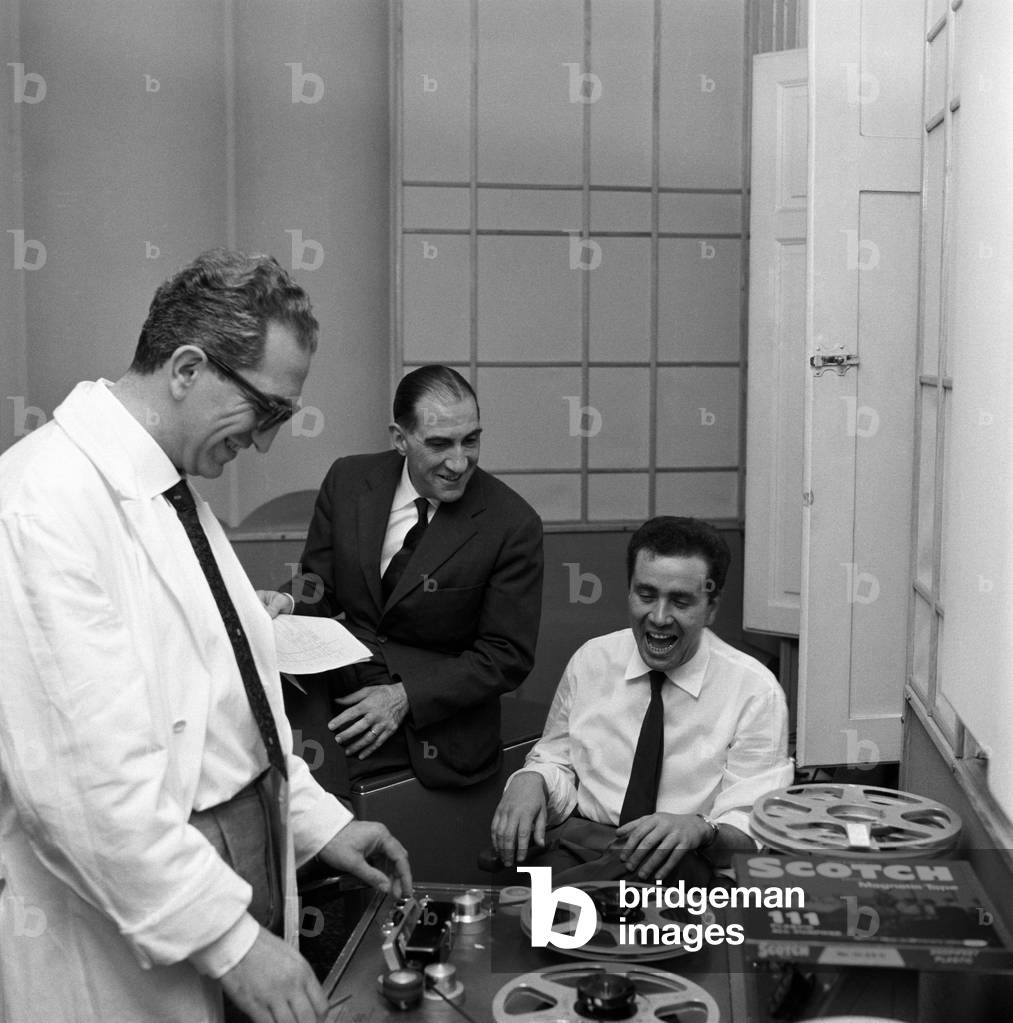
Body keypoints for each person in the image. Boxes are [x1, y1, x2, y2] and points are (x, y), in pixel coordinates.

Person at [0, 250, 412, 1023]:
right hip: (114, 942)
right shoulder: (41, 506)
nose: (264, 443)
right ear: (188, 367)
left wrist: (323, 824)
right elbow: (85, 793)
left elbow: (231, 712)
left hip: (218, 886)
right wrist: (230, 940)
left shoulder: (170, 489)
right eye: (268, 412)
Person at [491, 515, 793, 883]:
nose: (659, 617)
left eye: (680, 601)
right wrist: (531, 779)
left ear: (711, 607)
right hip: (585, 847)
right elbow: (556, 760)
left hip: (687, 867)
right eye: (646, 595)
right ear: (629, 591)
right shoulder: (592, 660)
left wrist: (701, 830)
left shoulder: (755, 692)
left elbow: (751, 834)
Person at [285, 364, 543, 793]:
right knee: (271, 764)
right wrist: (288, 603)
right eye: (440, 444)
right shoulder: (349, 481)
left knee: (323, 796)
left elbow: (506, 655)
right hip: (339, 683)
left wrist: (403, 697)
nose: (459, 462)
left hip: (433, 721)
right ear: (399, 439)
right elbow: (318, 585)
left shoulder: (512, 524)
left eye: (471, 440)